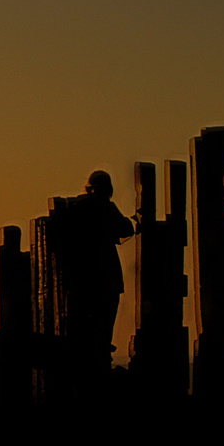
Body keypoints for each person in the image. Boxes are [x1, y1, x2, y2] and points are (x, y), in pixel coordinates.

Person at [53, 170, 136, 397]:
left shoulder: (75, 208)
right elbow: (126, 229)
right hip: (105, 282)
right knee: (102, 334)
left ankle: (84, 379)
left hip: (81, 282)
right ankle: (97, 376)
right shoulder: (105, 208)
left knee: (81, 334)